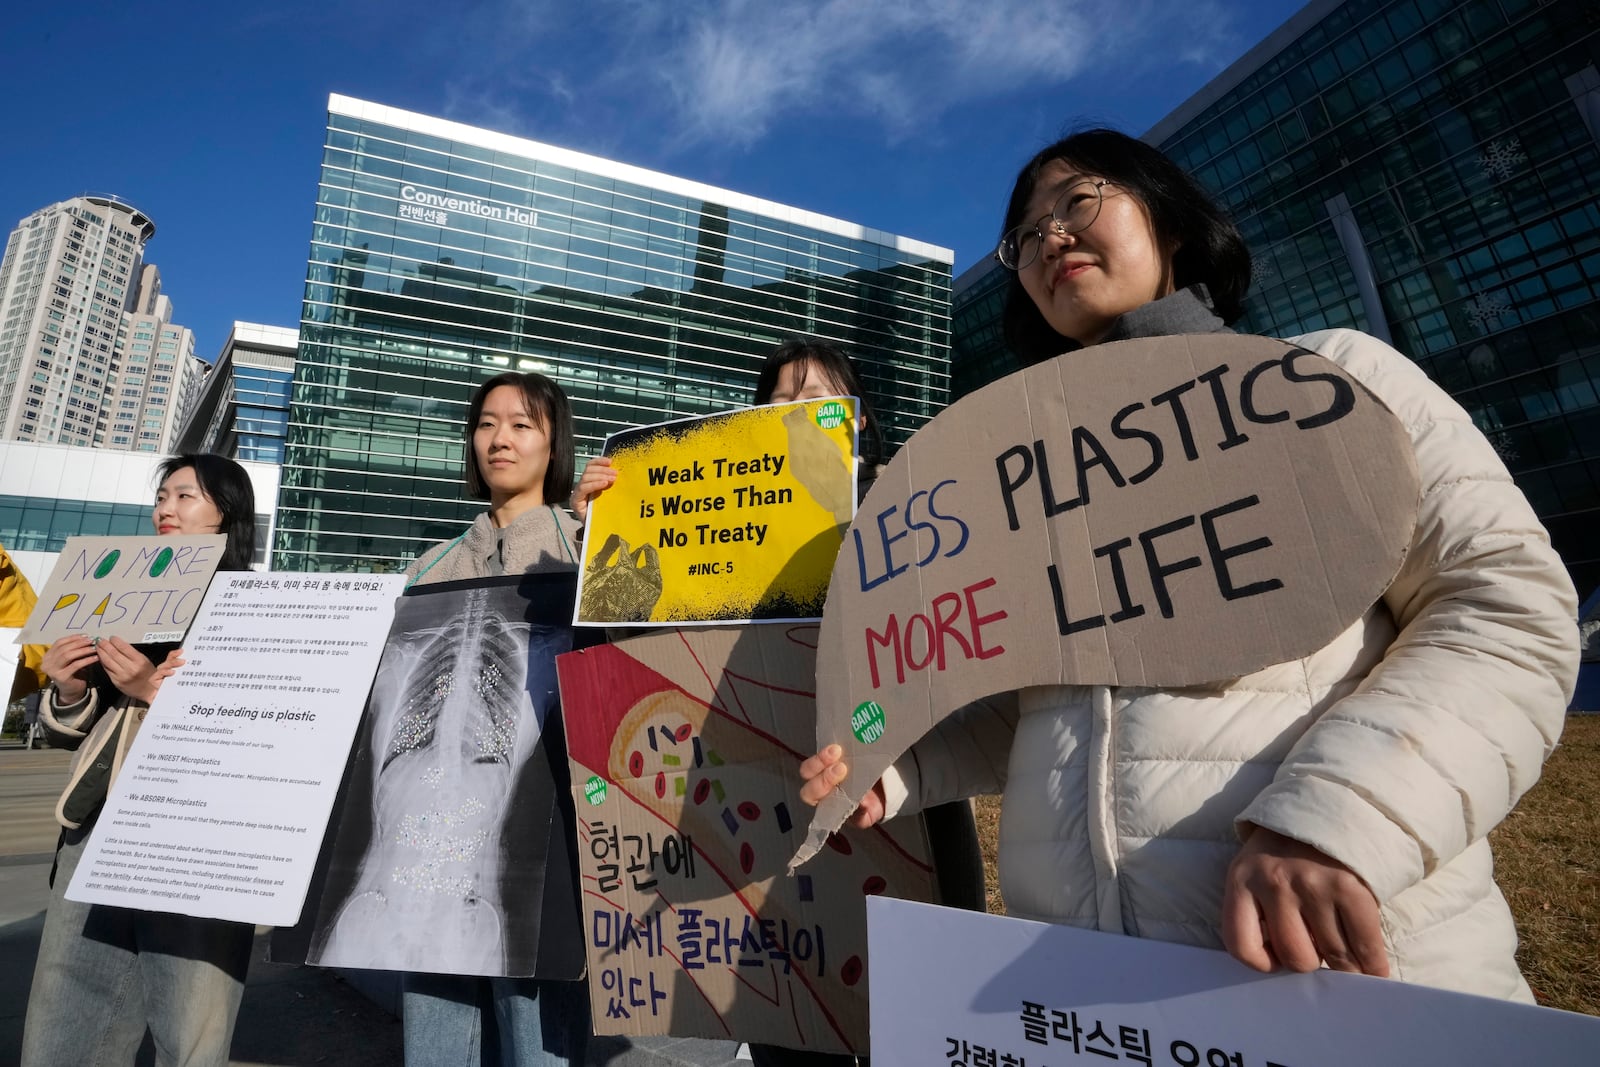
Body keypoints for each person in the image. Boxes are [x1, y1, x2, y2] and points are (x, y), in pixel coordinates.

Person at [800, 128, 1579, 1001]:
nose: (1049, 237)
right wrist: (897, 769)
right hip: (1082, 993)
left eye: (1077, 201)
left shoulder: (1333, 383)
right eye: (1024, 235)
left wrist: (1331, 827)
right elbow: (1035, 705)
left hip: (1350, 976)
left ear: (1168, 218)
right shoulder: (1029, 486)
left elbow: (1506, 609)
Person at [576, 339, 987, 1064]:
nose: (794, 411)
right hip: (775, 810)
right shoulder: (719, 520)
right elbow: (642, 647)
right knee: (795, 1033)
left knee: (923, 1027)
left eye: (815, 397)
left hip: (903, 797)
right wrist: (606, 532)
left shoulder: (914, 504)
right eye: (777, 402)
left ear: (857, 420)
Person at [22, 454, 259, 1066]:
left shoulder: (255, 606)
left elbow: (261, 724)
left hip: (197, 832)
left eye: (185, 497)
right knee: (70, 1002)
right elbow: (80, 725)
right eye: (162, 497)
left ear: (224, 513)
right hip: (96, 823)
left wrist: (155, 690)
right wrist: (70, 687)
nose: (165, 510)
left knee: (191, 1013)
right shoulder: (125, 589)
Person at [398, 370, 589, 1066]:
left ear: (554, 441)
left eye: (521, 423)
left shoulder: (586, 549)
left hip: (547, 837)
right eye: (485, 422)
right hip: (429, 840)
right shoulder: (432, 565)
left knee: (536, 1039)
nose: (498, 437)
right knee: (435, 1037)